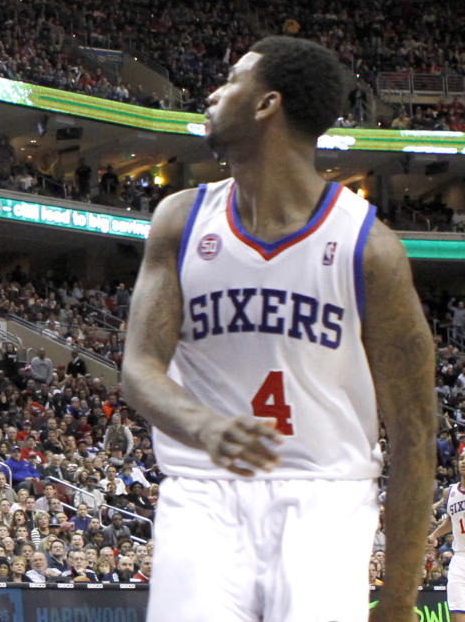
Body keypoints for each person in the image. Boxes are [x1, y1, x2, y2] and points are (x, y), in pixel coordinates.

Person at [121, 35, 435, 622]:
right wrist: (204, 426)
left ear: (267, 104)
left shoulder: (369, 249)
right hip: (202, 488)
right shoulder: (181, 221)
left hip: (326, 498)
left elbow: (415, 432)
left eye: (233, 79)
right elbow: (138, 368)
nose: (213, 93)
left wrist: (396, 601)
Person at [428, 450, 465, 621]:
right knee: (457, 611)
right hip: (460, 557)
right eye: (462, 459)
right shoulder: (448, 493)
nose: (463, 462)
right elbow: (451, 520)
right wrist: (434, 535)